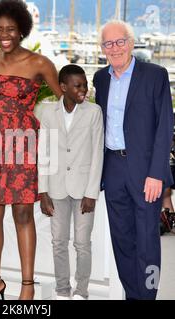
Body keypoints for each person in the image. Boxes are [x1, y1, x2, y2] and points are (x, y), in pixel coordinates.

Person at [0, 0, 62, 300]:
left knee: (23, 215)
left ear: (22, 30)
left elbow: (64, 103)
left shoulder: (41, 63)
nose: (4, 34)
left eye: (10, 29)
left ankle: (27, 287)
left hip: (22, 147)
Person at [93, 20, 173, 300]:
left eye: (120, 42)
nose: (115, 48)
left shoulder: (155, 75)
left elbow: (165, 127)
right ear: (102, 48)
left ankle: (147, 296)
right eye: (108, 44)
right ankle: (132, 294)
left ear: (131, 42)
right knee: (122, 240)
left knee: (148, 241)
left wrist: (157, 174)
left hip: (145, 172)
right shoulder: (100, 79)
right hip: (113, 169)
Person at [39, 65, 104, 300]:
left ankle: (81, 292)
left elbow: (98, 153)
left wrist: (91, 192)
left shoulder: (94, 112)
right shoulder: (47, 113)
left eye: (85, 85)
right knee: (58, 242)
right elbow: (43, 152)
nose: (83, 89)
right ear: (63, 87)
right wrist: (43, 191)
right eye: (78, 85)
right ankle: (63, 291)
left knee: (82, 243)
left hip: (84, 188)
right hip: (55, 188)